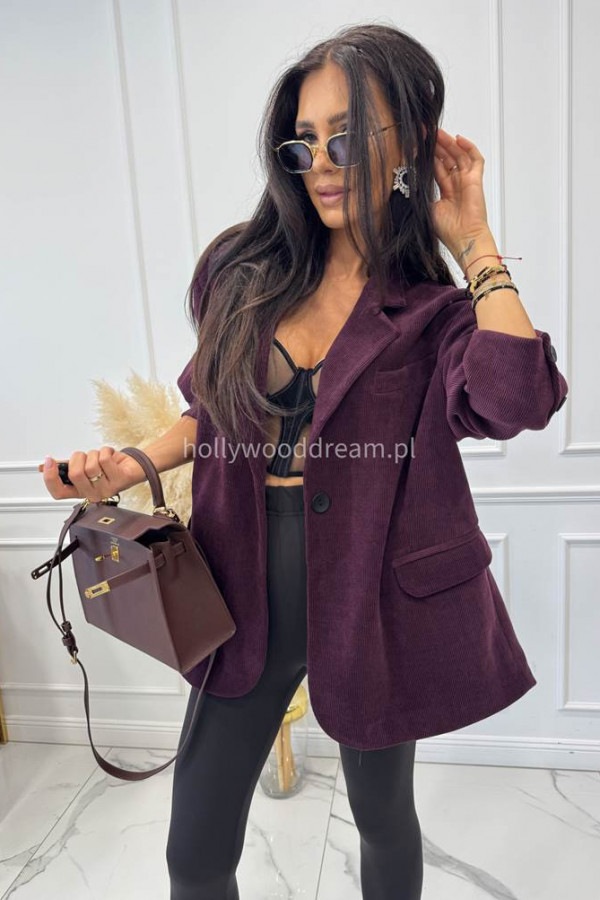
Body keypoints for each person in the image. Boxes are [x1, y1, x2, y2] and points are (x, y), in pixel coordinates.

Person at [41, 22, 568, 900]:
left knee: (383, 817)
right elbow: (211, 412)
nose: (321, 164)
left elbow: (517, 401)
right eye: (304, 142)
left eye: (347, 139)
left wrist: (474, 239)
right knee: (194, 850)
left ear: (410, 144)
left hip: (376, 590)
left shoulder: (434, 313)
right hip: (241, 579)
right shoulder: (239, 271)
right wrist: (129, 465)